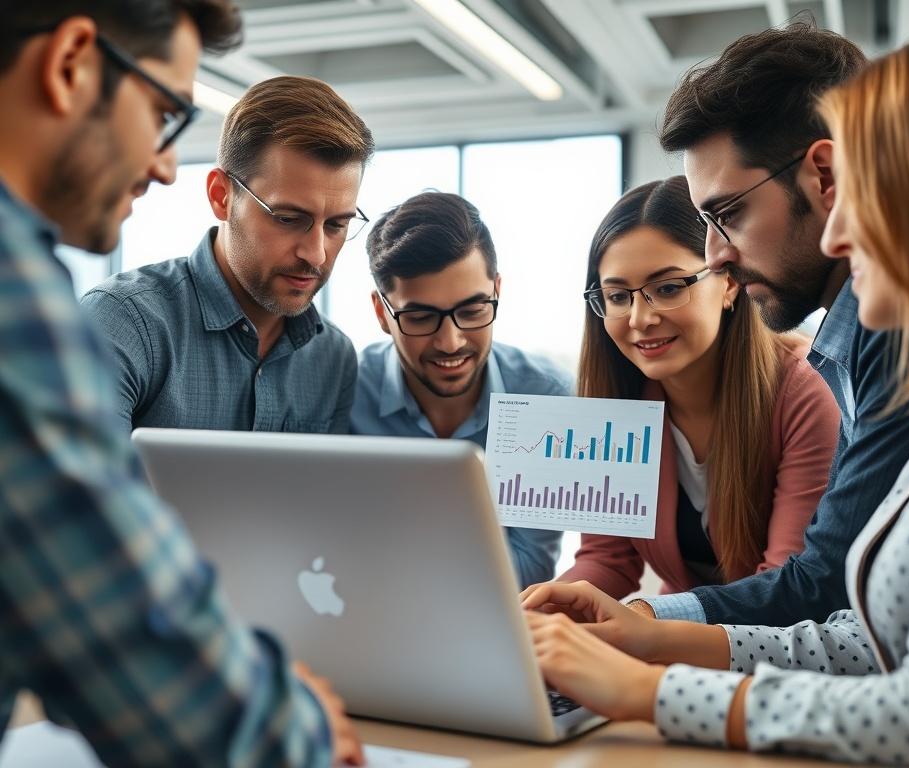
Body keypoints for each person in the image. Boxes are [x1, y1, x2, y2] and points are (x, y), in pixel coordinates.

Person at [524, 13, 909, 765]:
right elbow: (869, 634)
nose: (836, 235)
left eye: (870, 188)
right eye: (615, 296)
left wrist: (649, 687)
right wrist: (648, 632)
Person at [0, 2, 362, 764]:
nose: (164, 162)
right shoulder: (58, 309)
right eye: (164, 112)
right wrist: (296, 728)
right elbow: (109, 620)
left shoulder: (333, 359)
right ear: (70, 63)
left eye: (337, 226)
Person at [625, 21, 909, 626]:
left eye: (728, 213)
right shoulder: (848, 341)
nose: (714, 255)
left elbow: (827, 583)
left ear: (826, 177)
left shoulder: (895, 335)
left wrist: (645, 625)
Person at [556, 177, 839, 598]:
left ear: (728, 282)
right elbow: (607, 558)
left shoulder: (804, 393)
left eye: (667, 288)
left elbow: (785, 585)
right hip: (677, 637)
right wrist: (534, 612)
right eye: (617, 296)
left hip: (774, 647)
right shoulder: (619, 399)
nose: (639, 319)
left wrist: (648, 623)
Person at [81, 74, 371, 434]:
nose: (316, 254)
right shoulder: (124, 323)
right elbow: (77, 486)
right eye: (288, 219)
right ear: (222, 196)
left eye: (336, 226)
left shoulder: (333, 358)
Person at [351, 191, 570, 587]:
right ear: (382, 312)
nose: (451, 342)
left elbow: (530, 568)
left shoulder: (546, 398)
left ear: (497, 292)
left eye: (472, 312)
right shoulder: (342, 393)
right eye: (420, 317)